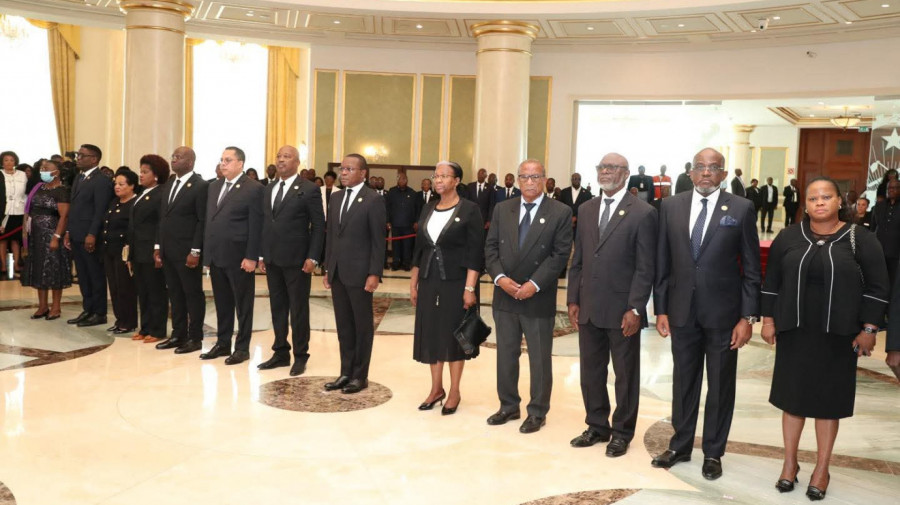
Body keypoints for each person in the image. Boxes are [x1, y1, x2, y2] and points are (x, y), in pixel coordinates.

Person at [761, 177, 888, 500]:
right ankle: (789, 464)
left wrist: (870, 329)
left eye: (826, 197)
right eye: (814, 198)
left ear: (838, 201)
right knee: (792, 400)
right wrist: (769, 319)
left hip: (839, 335)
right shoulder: (790, 236)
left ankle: (821, 468)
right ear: (805, 204)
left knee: (828, 404)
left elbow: (878, 286)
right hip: (795, 332)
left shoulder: (862, 238)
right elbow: (772, 280)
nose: (820, 202)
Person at [652, 148, 761, 481]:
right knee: (684, 383)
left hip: (723, 315)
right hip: (682, 311)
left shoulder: (741, 208)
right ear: (691, 171)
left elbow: (752, 269)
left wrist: (748, 317)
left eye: (713, 168)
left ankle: (713, 452)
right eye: (700, 167)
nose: (705, 173)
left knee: (720, 385)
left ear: (723, 174)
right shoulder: (670, 206)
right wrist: (661, 309)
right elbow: (663, 263)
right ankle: (680, 445)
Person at [567, 153, 656, 457]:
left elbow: (646, 268)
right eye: (602, 167)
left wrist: (635, 308)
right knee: (591, 372)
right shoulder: (587, 208)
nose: (606, 171)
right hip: (589, 307)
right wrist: (572, 299)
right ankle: (596, 425)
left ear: (626, 174)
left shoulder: (642, 213)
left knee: (625, 375)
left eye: (613, 167)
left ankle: (622, 432)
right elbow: (578, 259)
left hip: (623, 312)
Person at [484, 159, 573, 434]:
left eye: (536, 177)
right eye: (525, 176)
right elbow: (490, 249)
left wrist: (534, 284)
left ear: (545, 180)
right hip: (505, 295)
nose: (530, 181)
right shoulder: (502, 209)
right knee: (506, 355)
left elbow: (560, 255)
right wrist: (500, 279)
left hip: (538, 296)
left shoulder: (560, 211)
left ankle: (537, 411)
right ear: (518, 180)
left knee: (539, 358)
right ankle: (508, 405)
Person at [410, 161, 483, 415]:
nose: (438, 180)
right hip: (429, 280)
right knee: (431, 332)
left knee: (454, 334)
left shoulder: (470, 209)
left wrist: (470, 288)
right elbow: (419, 249)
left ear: (456, 181)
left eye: (444, 176)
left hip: (457, 282)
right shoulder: (428, 208)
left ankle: (454, 391)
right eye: (436, 176)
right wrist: (414, 283)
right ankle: (436, 388)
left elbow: (476, 252)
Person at [258, 145, 325, 376]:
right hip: (272, 259)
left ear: (297, 163)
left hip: (298, 260)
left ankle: (300, 355)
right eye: (278, 156)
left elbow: (318, 226)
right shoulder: (269, 188)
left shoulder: (309, 189)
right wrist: (261, 254)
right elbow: (265, 224)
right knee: (277, 308)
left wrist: (313, 257)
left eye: (287, 157)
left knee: (298, 309)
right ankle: (280, 352)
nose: (281, 160)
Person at [323, 154, 386, 394]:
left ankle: (360, 376)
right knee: (344, 326)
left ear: (363, 173)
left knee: (362, 326)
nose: (344, 173)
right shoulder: (336, 197)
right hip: (338, 271)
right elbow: (331, 236)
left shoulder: (372, 200)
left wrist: (374, 273)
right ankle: (345, 372)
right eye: (342, 168)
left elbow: (378, 241)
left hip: (360, 274)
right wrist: (329, 267)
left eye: (350, 169)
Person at [199, 146, 264, 365]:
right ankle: (223, 343)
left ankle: (243, 347)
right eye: (221, 160)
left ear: (240, 164)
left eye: (228, 160)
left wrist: (252, 256)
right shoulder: (214, 187)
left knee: (243, 305)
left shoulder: (253, 188)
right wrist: (207, 256)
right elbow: (210, 222)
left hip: (240, 257)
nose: (223, 164)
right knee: (222, 303)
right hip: (217, 256)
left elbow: (256, 226)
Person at [154, 147, 209, 354]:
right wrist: (158, 246)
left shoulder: (200, 186)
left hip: (187, 251)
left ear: (191, 162)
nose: (173, 160)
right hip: (168, 250)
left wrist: (195, 251)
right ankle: (178, 334)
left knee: (192, 294)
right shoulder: (170, 183)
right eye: (173, 156)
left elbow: (201, 221)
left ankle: (195, 337)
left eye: (179, 157)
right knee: (175, 294)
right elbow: (163, 217)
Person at [64, 144, 114, 327]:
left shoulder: (101, 180)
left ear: (94, 159)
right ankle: (88, 309)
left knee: (95, 274)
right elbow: (75, 207)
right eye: (78, 155)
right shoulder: (79, 177)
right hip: (76, 233)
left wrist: (92, 234)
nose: (78, 158)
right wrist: (69, 231)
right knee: (83, 275)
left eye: (82, 155)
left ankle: (99, 312)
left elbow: (100, 210)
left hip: (90, 236)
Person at [127, 155, 170, 343]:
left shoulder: (161, 194)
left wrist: (157, 247)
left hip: (151, 250)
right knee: (142, 291)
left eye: (145, 172)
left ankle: (158, 329)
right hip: (138, 250)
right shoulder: (142, 193)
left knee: (156, 291)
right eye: (140, 171)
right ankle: (144, 327)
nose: (141, 175)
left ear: (157, 175)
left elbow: (161, 223)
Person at [22, 159, 72, 319]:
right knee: (38, 270)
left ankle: (56, 307)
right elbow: (30, 211)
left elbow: (64, 216)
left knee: (53, 271)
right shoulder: (39, 188)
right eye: (42, 168)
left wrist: (57, 237)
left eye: (46, 168)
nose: (42, 170)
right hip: (36, 236)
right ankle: (42, 306)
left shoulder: (62, 191)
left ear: (56, 172)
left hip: (52, 235)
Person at [102, 170, 139, 335]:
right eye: (115, 184)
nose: (117, 187)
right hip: (109, 250)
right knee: (115, 287)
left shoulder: (135, 203)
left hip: (124, 252)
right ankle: (119, 319)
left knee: (126, 288)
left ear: (131, 186)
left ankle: (129, 321)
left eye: (121, 184)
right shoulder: (114, 202)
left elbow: (133, 231)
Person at [1, 151, 27, 279]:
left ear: (15, 161)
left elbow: (26, 192)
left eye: (11, 160)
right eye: (6, 160)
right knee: (3, 239)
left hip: (19, 210)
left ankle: (17, 264)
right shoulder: (0, 174)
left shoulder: (22, 174)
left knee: (16, 239)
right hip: (4, 211)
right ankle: (3, 266)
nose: (9, 162)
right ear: (2, 162)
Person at [386, 173, 417, 271]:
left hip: (409, 225)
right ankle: (396, 263)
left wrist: (416, 222)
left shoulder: (412, 193)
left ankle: (406, 264)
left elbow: (416, 209)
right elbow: (387, 208)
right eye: (401, 179)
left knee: (407, 245)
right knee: (396, 245)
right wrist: (387, 221)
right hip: (395, 224)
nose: (403, 181)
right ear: (397, 180)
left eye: (405, 179)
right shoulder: (391, 192)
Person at [871, 179, 900, 284]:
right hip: (878, 250)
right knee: (877, 279)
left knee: (893, 281)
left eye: (895, 188)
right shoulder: (879, 206)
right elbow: (873, 228)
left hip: (896, 253)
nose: (891, 190)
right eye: (889, 188)